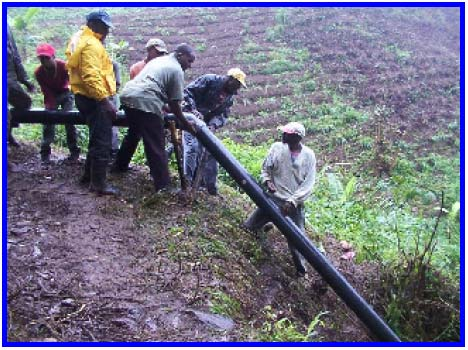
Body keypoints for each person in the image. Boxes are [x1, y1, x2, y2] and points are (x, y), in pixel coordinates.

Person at [117, 43, 197, 192]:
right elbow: (174, 103)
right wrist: (185, 123)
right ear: (180, 55)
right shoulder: (176, 70)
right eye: (189, 60)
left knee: (134, 133)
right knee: (156, 144)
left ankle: (119, 166)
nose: (190, 65)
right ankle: (163, 186)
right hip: (145, 101)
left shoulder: (160, 61)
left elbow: (158, 90)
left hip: (128, 95)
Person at [243, 122, 316, 277]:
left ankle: (301, 271)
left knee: (296, 241)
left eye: (287, 134)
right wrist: (268, 181)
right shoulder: (276, 148)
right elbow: (266, 169)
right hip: (272, 200)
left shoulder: (308, 156)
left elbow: (308, 184)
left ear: (297, 137)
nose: (283, 135)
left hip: (293, 206)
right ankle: (263, 232)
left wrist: (293, 201)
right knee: (249, 227)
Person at [66, 10, 118, 195]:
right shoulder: (91, 45)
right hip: (93, 98)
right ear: (94, 24)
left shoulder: (80, 39)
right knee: (102, 141)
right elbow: (91, 76)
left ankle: (88, 177)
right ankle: (98, 184)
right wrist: (105, 101)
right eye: (105, 27)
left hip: (84, 96)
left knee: (96, 138)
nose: (107, 32)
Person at [182, 68, 246, 195]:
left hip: (204, 124)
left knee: (212, 151)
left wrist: (213, 125)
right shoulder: (209, 80)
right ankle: (187, 181)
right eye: (237, 84)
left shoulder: (229, 97)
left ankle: (209, 187)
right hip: (189, 117)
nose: (237, 89)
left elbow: (223, 115)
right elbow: (188, 93)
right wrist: (193, 110)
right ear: (230, 80)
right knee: (192, 147)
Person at [110, 38, 168, 173]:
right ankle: (121, 165)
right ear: (149, 50)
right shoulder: (137, 68)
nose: (159, 56)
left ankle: (152, 169)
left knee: (150, 139)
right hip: (139, 108)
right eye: (157, 52)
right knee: (135, 135)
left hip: (155, 108)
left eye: (162, 54)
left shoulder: (162, 68)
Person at [34, 43, 80, 164]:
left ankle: (74, 152)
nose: (44, 61)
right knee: (48, 121)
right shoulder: (39, 72)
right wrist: (50, 106)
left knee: (69, 120)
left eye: (46, 58)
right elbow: (46, 91)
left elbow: (73, 82)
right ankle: (45, 154)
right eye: (41, 58)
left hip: (65, 93)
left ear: (53, 56)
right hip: (51, 95)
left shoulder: (63, 66)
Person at [7, 24, 35, 148]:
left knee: (25, 102)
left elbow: (15, 55)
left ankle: (8, 133)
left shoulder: (6, 27)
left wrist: (24, 80)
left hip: (9, 79)